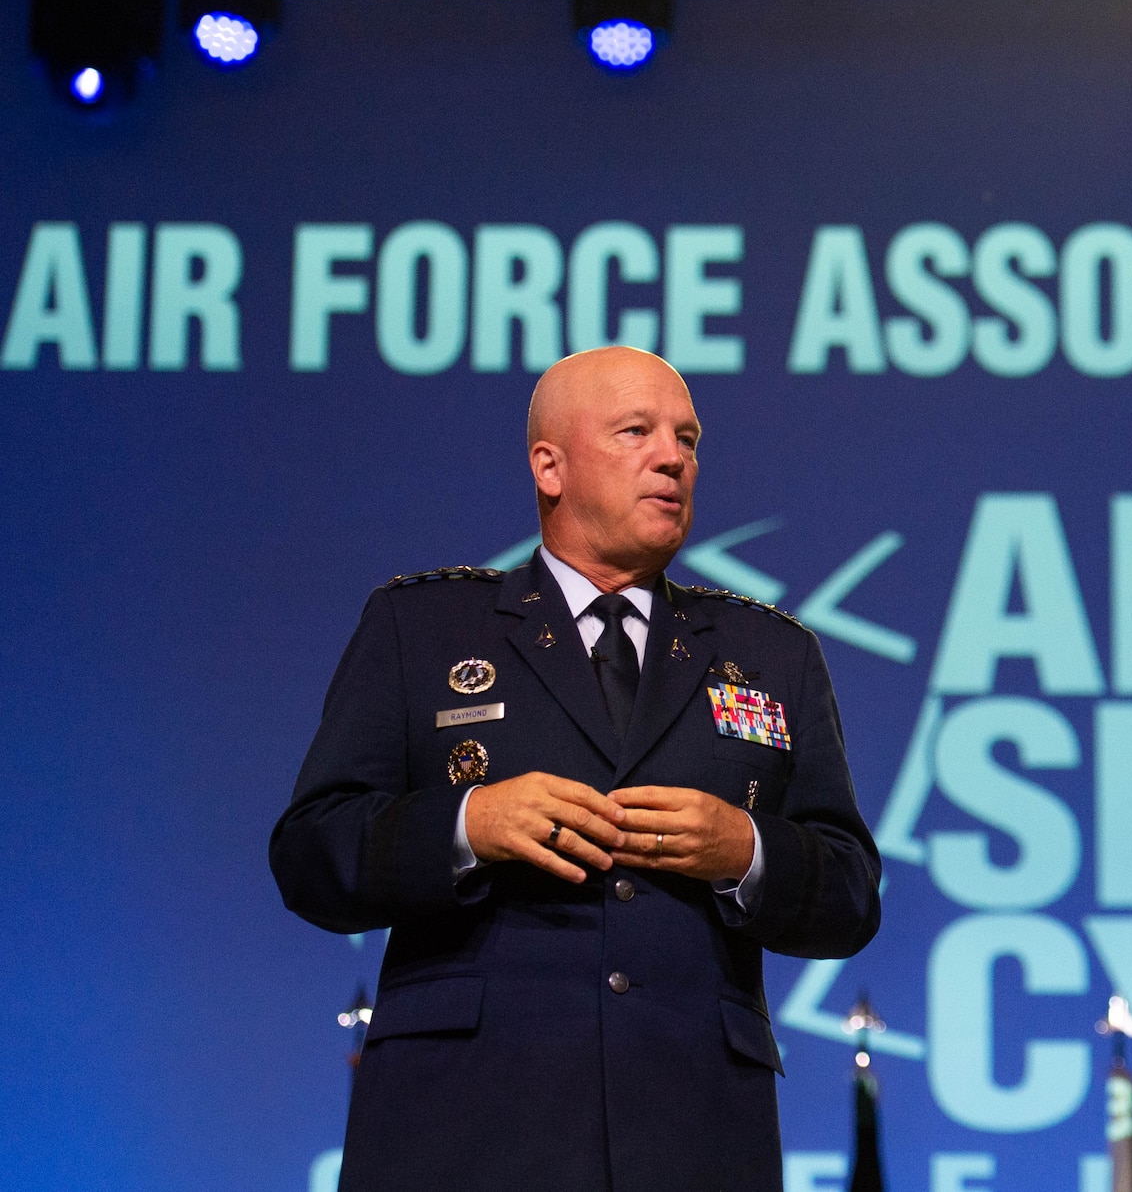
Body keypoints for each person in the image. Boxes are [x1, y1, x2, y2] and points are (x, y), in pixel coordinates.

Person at [271, 347, 881, 1192]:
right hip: (463, 1137)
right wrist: (466, 825)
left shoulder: (771, 653)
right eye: (636, 431)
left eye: (688, 438)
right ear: (548, 465)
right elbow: (311, 854)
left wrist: (743, 848)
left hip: (693, 1140)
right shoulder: (424, 629)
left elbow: (850, 894)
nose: (673, 456)